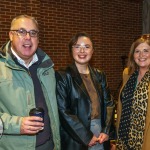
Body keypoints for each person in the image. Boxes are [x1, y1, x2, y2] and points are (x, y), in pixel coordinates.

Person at [0, 15, 60, 150]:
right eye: (21, 31)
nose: (28, 37)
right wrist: (17, 125)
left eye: (33, 33)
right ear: (10, 35)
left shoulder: (47, 67)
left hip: (49, 145)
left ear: (38, 38)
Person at [55, 32, 114, 150]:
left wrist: (106, 130)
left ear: (92, 51)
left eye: (87, 47)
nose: (82, 51)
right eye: (77, 46)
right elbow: (63, 111)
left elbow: (109, 104)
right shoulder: (63, 76)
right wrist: (86, 136)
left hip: (100, 132)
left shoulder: (99, 75)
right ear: (71, 50)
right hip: (75, 135)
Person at [116, 34, 150, 150]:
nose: (141, 55)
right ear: (133, 55)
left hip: (145, 140)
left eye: (146, 50)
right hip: (123, 138)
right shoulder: (127, 74)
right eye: (137, 51)